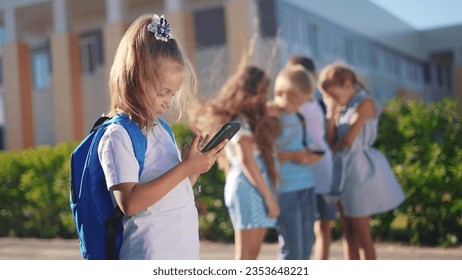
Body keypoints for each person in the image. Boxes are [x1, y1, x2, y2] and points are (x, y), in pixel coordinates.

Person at [97, 13, 226, 260]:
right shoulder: (118, 135)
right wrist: (185, 167)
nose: (168, 102)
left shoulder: (162, 130)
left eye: (172, 95)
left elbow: (174, 190)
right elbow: (130, 203)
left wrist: (193, 169)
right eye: (163, 92)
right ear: (135, 78)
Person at [190, 66, 281, 260]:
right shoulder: (244, 122)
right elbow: (247, 160)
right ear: (255, 91)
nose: (266, 96)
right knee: (248, 255)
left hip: (243, 185)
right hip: (251, 188)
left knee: (246, 255)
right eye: (264, 90)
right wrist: (269, 198)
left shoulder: (238, 119)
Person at [318, 62, 405, 260]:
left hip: (358, 171)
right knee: (347, 232)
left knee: (362, 233)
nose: (332, 99)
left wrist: (330, 149)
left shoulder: (365, 103)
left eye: (333, 94)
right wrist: (331, 115)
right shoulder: (342, 107)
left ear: (348, 84)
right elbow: (331, 140)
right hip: (341, 172)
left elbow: (347, 141)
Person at [268, 65, 322, 260]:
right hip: (285, 190)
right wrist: (293, 157)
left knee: (308, 243)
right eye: (297, 101)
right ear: (280, 93)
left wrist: (307, 156)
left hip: (306, 185)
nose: (299, 107)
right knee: (293, 247)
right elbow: (265, 157)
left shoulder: (299, 116)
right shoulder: (270, 117)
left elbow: (299, 144)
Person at [286, 56, 336, 260]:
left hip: (322, 167)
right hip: (299, 169)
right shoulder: (288, 104)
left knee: (324, 224)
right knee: (303, 228)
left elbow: (325, 135)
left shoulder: (319, 102)